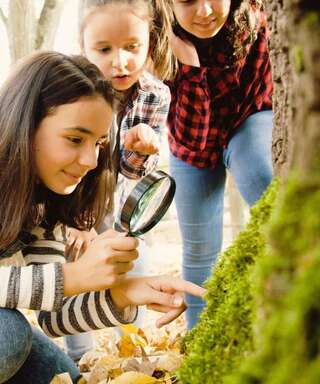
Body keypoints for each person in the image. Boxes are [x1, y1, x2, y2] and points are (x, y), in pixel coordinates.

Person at [0, 51, 205, 384]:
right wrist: (74, 275)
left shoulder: (42, 200)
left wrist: (124, 294)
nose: (91, 160)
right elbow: (61, 283)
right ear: (26, 123)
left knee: (65, 376)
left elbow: (54, 316)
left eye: (99, 143)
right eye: (75, 139)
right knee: (8, 334)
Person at [61, 0, 175, 361]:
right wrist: (79, 222)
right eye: (104, 49)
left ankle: (134, 349)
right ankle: (79, 357)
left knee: (132, 265)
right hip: (77, 203)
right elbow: (66, 164)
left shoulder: (155, 95)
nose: (120, 61)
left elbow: (132, 172)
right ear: (83, 48)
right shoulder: (72, 92)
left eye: (131, 47)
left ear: (148, 41)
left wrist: (144, 148)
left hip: (126, 204)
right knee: (78, 270)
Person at [164, 0, 273, 328]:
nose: (204, 11)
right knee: (199, 249)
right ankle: (200, 338)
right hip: (191, 146)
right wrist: (190, 67)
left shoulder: (254, 19)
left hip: (250, 115)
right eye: (187, 0)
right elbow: (194, 139)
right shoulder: (156, 40)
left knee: (259, 170)